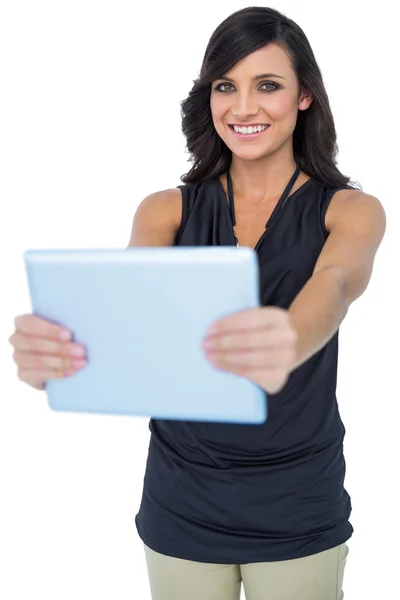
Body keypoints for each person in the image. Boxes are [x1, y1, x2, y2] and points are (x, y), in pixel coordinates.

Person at [9, 6, 386, 600]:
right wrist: (63, 357)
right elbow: (127, 327)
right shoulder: (165, 210)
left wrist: (285, 340)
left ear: (305, 96)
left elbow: (337, 285)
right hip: (182, 497)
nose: (242, 108)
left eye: (267, 86)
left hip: (296, 497)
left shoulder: (350, 209)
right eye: (224, 86)